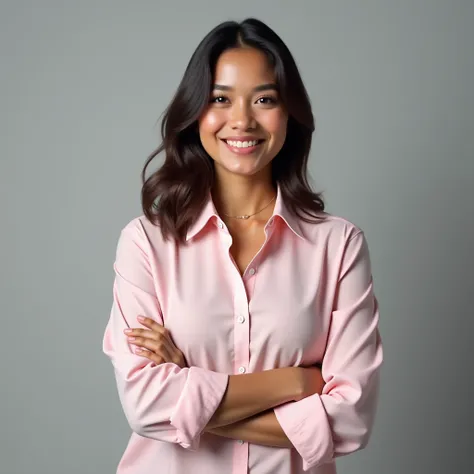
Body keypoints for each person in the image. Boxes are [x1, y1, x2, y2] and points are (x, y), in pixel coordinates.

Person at [102, 18, 383, 474]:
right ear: (196, 112)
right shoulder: (147, 243)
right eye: (220, 99)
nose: (242, 120)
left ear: (289, 112)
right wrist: (295, 382)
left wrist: (192, 391)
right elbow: (146, 406)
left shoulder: (339, 246)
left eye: (265, 99)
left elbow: (350, 421)